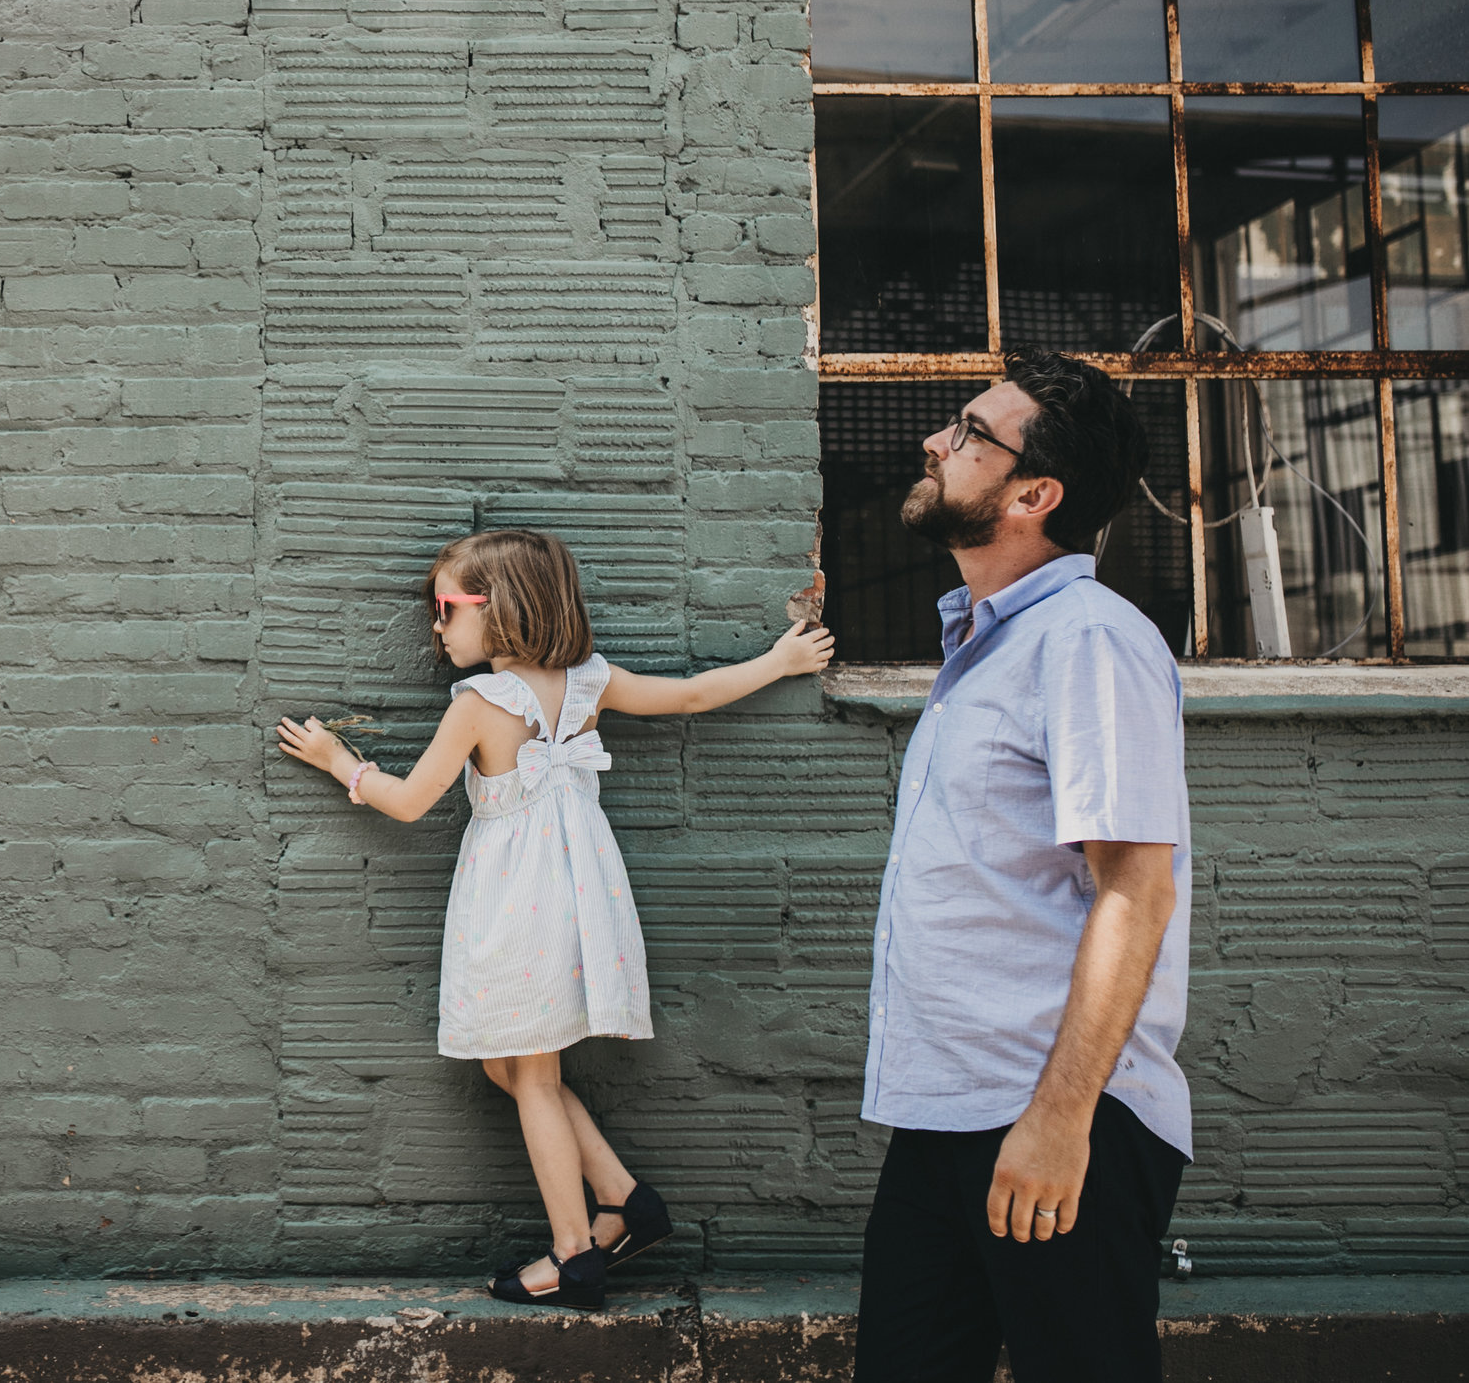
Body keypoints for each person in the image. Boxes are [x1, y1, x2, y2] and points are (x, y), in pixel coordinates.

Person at [277, 528, 834, 1312]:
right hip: (578, 895)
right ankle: (625, 1203)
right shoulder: (589, 683)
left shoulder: (480, 705)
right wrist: (777, 664)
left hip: (513, 903)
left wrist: (340, 760)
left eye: (445, 608)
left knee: (532, 1074)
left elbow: (408, 802)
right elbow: (693, 695)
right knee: (506, 1065)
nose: (436, 627)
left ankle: (576, 1256)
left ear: (497, 608)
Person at [855, 348, 1193, 1383]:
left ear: (1031, 494)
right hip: (946, 1117)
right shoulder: (987, 647)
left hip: (1050, 1120)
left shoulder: (1086, 640)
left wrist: (1057, 1121)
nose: (935, 441)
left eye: (966, 432)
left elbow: (1133, 889)